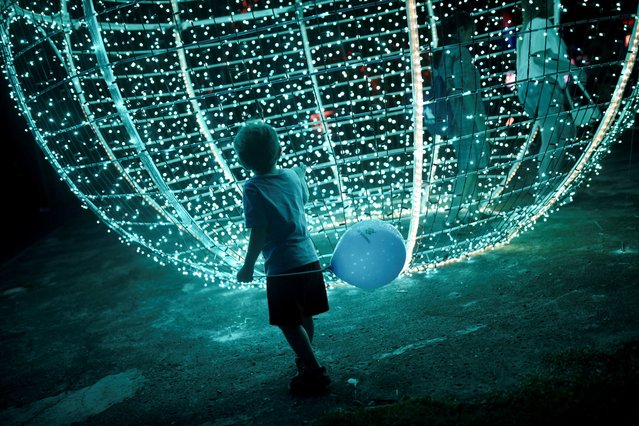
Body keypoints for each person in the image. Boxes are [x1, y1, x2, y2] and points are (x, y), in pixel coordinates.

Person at [234, 120, 331, 396]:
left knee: (288, 321)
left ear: (243, 161)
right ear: (279, 151)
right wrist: (300, 176)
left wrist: (248, 265)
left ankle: (312, 368)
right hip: (308, 258)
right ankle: (305, 359)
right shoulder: (291, 176)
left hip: (282, 267)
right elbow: (305, 199)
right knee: (305, 314)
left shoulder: (253, 188)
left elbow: (259, 231)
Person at [516, 0, 586, 198]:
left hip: (539, 87)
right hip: (542, 85)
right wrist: (572, 69)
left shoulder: (532, 26)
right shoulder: (539, 24)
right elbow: (540, 57)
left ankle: (548, 182)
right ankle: (545, 187)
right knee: (552, 136)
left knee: (564, 130)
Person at [437, 11, 491, 224]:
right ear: (461, 30)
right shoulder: (461, 54)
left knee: (470, 164)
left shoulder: (444, 53)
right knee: (468, 166)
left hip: (454, 118)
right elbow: (466, 90)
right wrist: (478, 121)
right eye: (470, 30)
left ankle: (472, 210)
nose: (473, 34)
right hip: (466, 116)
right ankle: (453, 215)